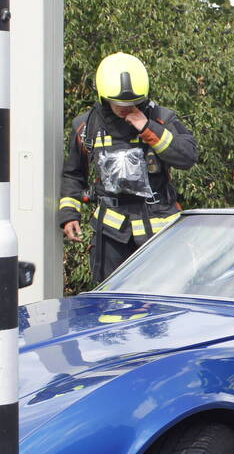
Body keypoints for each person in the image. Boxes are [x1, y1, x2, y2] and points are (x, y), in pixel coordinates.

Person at [59, 52, 197, 283]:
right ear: (104, 97)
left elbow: (187, 157)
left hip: (159, 231)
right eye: (119, 104)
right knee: (111, 298)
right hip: (111, 236)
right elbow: (73, 175)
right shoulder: (87, 126)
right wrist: (69, 215)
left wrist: (147, 127)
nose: (126, 108)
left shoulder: (160, 118)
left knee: (163, 296)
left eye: (133, 103)